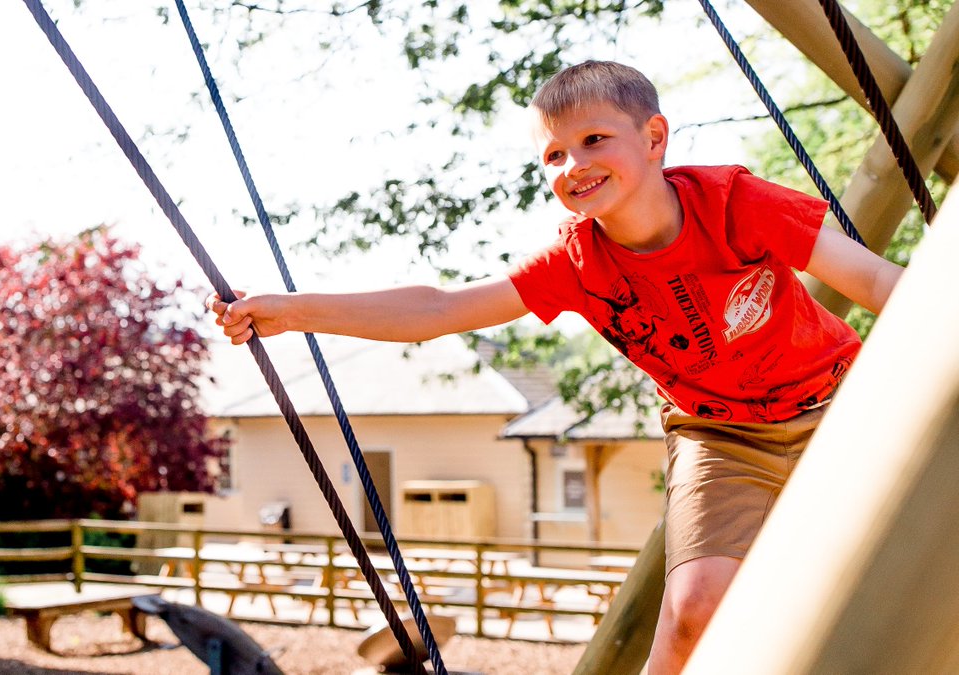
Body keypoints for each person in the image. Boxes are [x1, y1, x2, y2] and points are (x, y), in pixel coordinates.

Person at [207, 60, 904, 672]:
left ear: (655, 138)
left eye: (593, 140)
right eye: (553, 155)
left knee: (900, 574)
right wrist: (295, 311)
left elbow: (873, 282)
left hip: (841, 401)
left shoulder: (735, 204)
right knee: (693, 605)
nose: (573, 165)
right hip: (720, 435)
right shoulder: (577, 262)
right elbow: (441, 308)